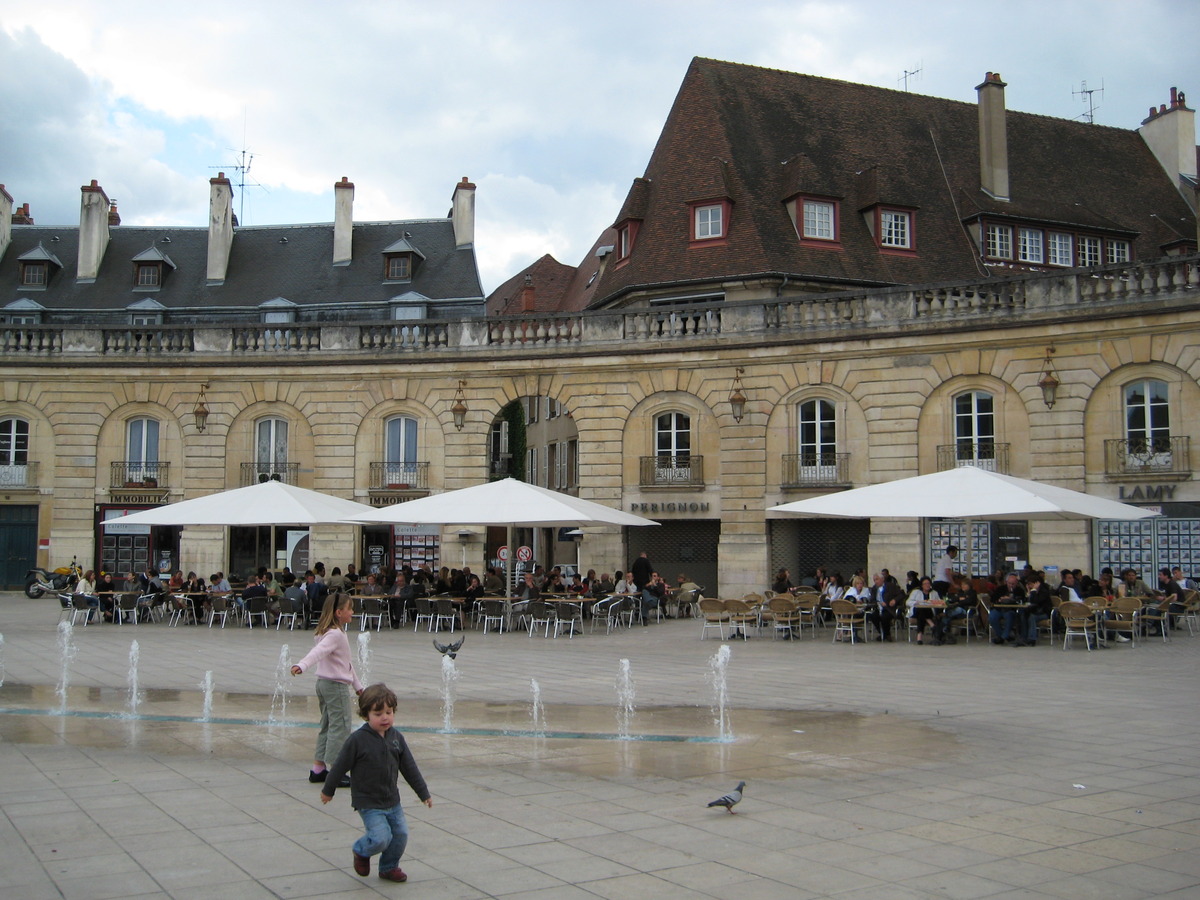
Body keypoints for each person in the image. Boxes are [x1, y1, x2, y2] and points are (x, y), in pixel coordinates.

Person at [320, 683, 432, 884]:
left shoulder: (396, 738)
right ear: (366, 715)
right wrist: (328, 789)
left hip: (392, 800)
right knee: (381, 838)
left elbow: (409, 768)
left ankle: (389, 867)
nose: (385, 717)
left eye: (389, 712)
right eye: (378, 713)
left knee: (400, 835)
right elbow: (339, 766)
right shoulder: (358, 740)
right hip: (368, 802)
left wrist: (423, 793)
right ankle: (361, 850)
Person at [291, 594, 364, 787]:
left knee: (327, 725)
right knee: (340, 726)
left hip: (324, 683)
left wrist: (358, 687)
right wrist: (303, 665)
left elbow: (345, 663)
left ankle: (318, 769)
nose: (352, 612)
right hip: (335, 686)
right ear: (339, 613)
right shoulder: (335, 634)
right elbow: (318, 652)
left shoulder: (328, 632)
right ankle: (337, 771)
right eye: (350, 609)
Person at [989, 573, 1027, 645]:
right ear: (1006, 582)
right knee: (992, 617)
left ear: (1016, 583)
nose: (1011, 585)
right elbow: (993, 599)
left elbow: (1022, 601)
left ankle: (1004, 636)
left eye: (1013, 584)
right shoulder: (1000, 589)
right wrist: (1000, 599)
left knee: (1010, 616)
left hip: (1011, 609)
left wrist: (1013, 599)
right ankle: (1002, 635)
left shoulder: (1019, 590)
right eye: (1009, 583)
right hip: (999, 609)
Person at [866, 571, 904, 642]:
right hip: (878, 608)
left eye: (877, 579)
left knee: (885, 617)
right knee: (873, 616)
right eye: (874, 580)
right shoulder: (874, 588)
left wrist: (894, 600)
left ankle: (886, 634)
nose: (875, 581)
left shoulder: (890, 586)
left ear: (882, 579)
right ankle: (884, 634)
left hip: (889, 608)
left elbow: (900, 595)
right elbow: (872, 599)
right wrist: (878, 603)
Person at [906, 576, 941, 645]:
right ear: (921, 585)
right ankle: (932, 624)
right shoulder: (916, 592)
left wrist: (932, 603)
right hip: (916, 611)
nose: (927, 585)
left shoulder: (934, 592)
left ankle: (919, 636)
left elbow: (939, 602)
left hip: (929, 612)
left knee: (922, 613)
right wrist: (917, 603)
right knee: (921, 607)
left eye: (928, 583)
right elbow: (907, 602)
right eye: (925, 584)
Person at [1022, 571, 1053, 646]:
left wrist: (1032, 591)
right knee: (1022, 614)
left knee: (1031, 617)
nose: (1029, 586)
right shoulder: (1034, 591)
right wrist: (1028, 592)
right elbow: (1027, 602)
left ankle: (1032, 639)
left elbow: (1036, 601)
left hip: (1044, 613)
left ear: (1037, 583)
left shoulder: (1043, 592)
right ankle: (1024, 637)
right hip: (1034, 611)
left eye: (1030, 584)